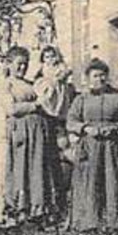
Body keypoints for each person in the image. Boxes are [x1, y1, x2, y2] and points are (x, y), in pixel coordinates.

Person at [66, 58, 118, 232]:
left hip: (111, 147)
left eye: (103, 76)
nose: (100, 79)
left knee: (112, 181)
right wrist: (85, 128)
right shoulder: (81, 99)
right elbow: (70, 122)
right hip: (89, 147)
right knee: (89, 183)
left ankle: (112, 224)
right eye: (96, 76)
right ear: (88, 78)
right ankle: (88, 223)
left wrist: (116, 127)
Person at [1, 45, 62, 224]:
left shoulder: (30, 84)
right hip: (22, 132)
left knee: (39, 168)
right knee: (22, 168)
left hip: (39, 132)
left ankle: (40, 209)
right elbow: (12, 109)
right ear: (9, 64)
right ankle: (21, 210)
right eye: (19, 64)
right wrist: (36, 105)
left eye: (25, 64)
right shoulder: (7, 84)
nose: (22, 68)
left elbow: (48, 101)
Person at [33, 44, 75, 215]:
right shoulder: (43, 74)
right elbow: (43, 94)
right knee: (49, 156)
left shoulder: (61, 70)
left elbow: (67, 73)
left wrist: (61, 78)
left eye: (53, 56)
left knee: (63, 151)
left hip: (61, 116)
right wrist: (53, 82)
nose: (51, 59)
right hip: (48, 115)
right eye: (47, 57)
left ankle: (64, 198)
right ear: (43, 59)